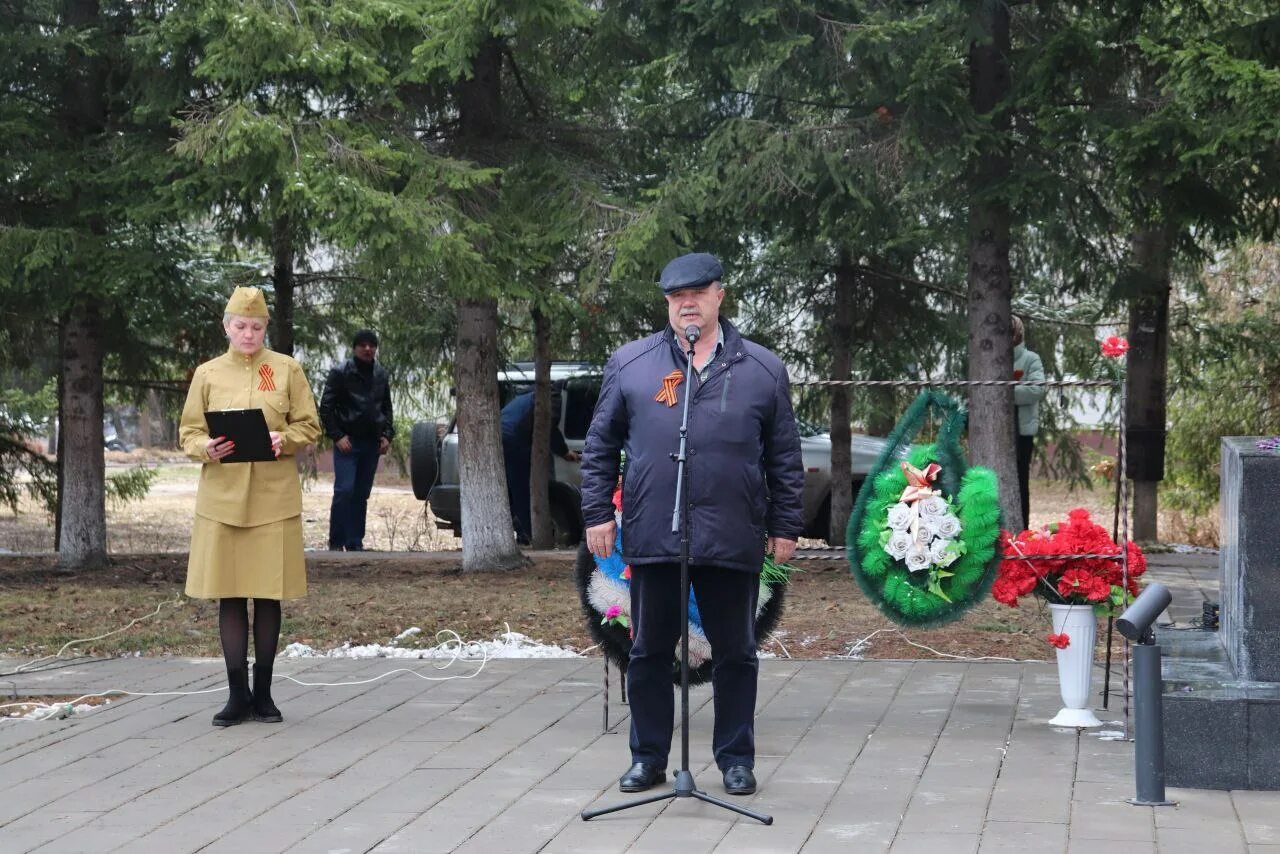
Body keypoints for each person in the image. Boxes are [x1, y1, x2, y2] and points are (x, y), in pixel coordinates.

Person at [580, 251, 804, 797]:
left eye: (697, 294)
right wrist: (596, 514)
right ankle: (649, 757)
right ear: (667, 304)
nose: (687, 305)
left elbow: (784, 457)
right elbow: (600, 446)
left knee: (736, 652)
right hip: (656, 532)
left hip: (732, 533)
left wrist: (786, 525)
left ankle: (735, 759)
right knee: (648, 651)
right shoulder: (633, 364)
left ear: (718, 296)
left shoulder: (761, 368)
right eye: (676, 297)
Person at [179, 287, 321, 726]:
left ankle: (264, 694)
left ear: (266, 329)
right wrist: (207, 447)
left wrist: (287, 439)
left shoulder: (286, 369)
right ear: (226, 327)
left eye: (256, 327)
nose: (248, 333)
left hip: (273, 500)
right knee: (231, 594)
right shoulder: (207, 373)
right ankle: (236, 695)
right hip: (222, 499)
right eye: (240, 326)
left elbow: (310, 425)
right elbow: (187, 433)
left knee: (268, 593)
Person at [319, 329, 394, 551]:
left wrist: (387, 435)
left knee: (361, 493)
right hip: (347, 443)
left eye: (372, 345)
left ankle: (354, 543)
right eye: (362, 345)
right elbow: (326, 408)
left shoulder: (381, 374)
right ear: (354, 348)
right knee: (345, 490)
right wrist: (338, 436)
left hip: (371, 443)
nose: (368, 349)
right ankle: (336, 542)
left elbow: (386, 408)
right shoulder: (340, 372)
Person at [500, 389, 581, 545]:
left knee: (509, 495)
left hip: (500, 439)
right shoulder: (547, 401)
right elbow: (548, 427)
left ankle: (514, 535)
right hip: (514, 443)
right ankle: (531, 538)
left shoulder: (526, 398)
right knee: (522, 494)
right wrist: (564, 452)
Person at [1012, 314, 1046, 529]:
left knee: (1020, 481)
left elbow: (1037, 389)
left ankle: (1022, 529)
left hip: (1021, 431)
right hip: (994, 432)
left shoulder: (1030, 359)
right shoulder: (986, 357)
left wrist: (1005, 393)